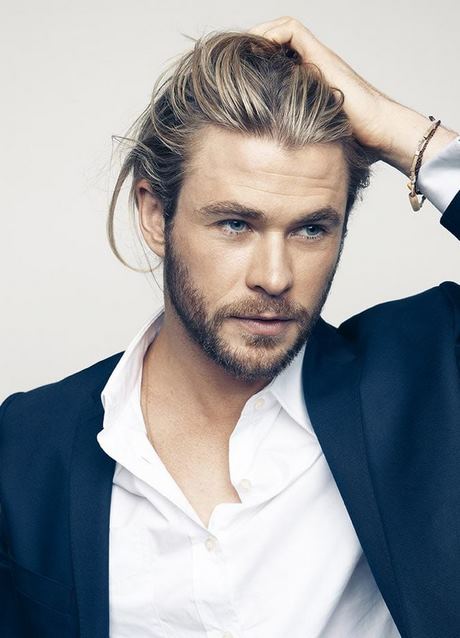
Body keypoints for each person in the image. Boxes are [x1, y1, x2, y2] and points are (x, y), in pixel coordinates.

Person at [1, 15, 459, 638]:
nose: (274, 277)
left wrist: (402, 133)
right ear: (155, 215)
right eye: (235, 224)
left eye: (311, 229)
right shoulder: (26, 445)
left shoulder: (426, 380)